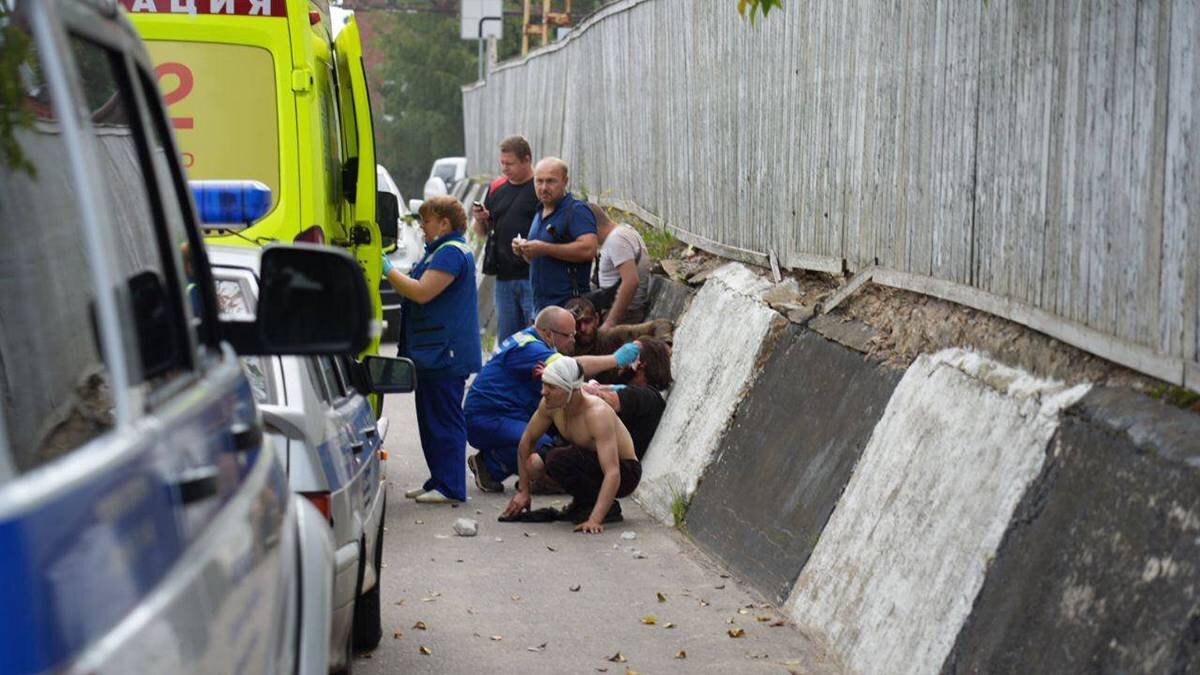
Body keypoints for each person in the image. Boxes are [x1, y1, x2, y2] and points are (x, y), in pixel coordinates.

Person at [464, 306, 641, 493]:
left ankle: (502, 465)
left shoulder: (530, 340)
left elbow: (570, 384)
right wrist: (615, 359)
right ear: (548, 334)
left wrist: (609, 389)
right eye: (568, 335)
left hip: (505, 413)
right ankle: (491, 465)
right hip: (488, 418)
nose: (573, 340)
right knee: (543, 449)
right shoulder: (530, 348)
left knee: (550, 438)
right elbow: (572, 368)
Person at [383, 195, 481, 504]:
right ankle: (438, 479)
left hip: (445, 352)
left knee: (444, 420)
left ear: (444, 223)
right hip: (433, 351)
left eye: (426, 221)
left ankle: (450, 487)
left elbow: (422, 292)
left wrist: (387, 270)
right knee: (430, 419)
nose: (423, 227)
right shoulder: (440, 251)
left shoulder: (450, 253)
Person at [501, 357, 641, 533]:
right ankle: (584, 502)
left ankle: (604, 508)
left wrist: (595, 520)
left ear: (572, 390)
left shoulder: (597, 413)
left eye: (552, 387)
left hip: (625, 473)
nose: (544, 392)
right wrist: (523, 491)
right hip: (590, 459)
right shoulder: (550, 405)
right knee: (536, 463)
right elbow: (526, 442)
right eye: (544, 385)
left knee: (559, 459)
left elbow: (613, 472)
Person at [473, 135, 539, 342]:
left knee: (535, 339)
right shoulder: (496, 188)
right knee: (508, 341)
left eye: (509, 163)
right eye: (502, 163)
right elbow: (482, 232)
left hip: (533, 276)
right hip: (503, 278)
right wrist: (480, 219)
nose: (504, 168)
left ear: (527, 159)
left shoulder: (541, 189)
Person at [513, 157, 597, 312]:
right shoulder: (540, 211)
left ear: (565, 181)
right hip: (540, 309)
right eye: (539, 181)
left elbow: (588, 249)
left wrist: (544, 248)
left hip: (570, 310)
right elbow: (540, 258)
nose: (544, 187)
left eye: (551, 181)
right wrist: (524, 250)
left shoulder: (576, 210)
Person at [582, 336, 672, 460]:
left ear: (642, 363)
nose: (625, 353)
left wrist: (613, 360)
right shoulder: (621, 386)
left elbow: (606, 399)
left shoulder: (647, 396)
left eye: (633, 352)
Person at [588, 203, 652, 326]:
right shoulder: (621, 232)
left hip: (625, 316)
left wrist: (610, 322)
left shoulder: (617, 240)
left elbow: (631, 282)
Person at [564, 296, 673, 358]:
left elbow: (661, 324)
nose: (582, 328)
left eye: (587, 321)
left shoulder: (611, 336)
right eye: (577, 324)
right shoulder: (565, 350)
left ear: (597, 319)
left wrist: (664, 345)